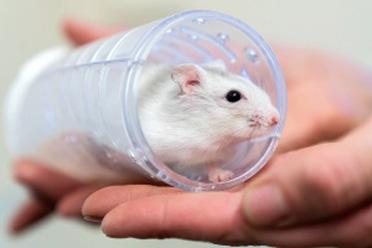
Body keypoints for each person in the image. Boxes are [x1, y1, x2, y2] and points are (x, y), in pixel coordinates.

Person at [8, 18, 372, 247]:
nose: (274, 119)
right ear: (189, 86)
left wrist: (213, 168)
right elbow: (155, 148)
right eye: (233, 97)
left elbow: (204, 155)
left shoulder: (210, 134)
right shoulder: (159, 122)